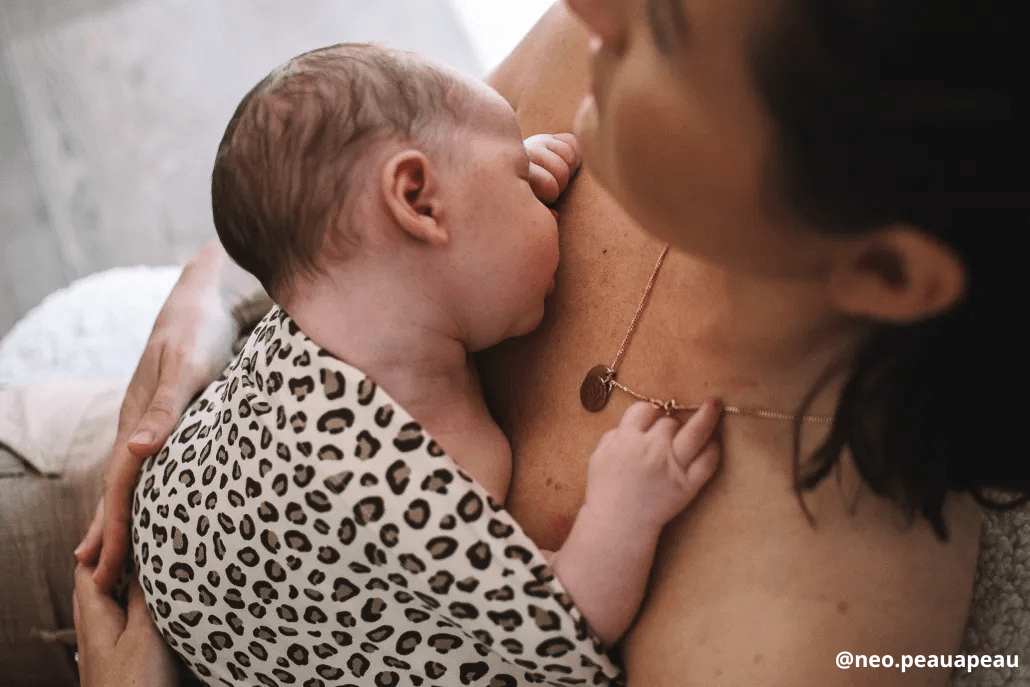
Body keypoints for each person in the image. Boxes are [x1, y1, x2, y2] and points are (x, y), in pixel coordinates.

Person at [77, 0, 1028, 684]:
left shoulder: (808, 629)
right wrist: (193, 318)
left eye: (666, 26)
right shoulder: (628, 54)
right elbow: (323, 191)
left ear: (888, 272)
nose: (580, 9)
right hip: (168, 504)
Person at [128, 41, 721, 685]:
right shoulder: (405, 471)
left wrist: (504, 187)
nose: (544, 178)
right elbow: (562, 618)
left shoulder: (335, 304)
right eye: (520, 172)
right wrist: (623, 509)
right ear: (418, 199)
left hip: (171, 562)